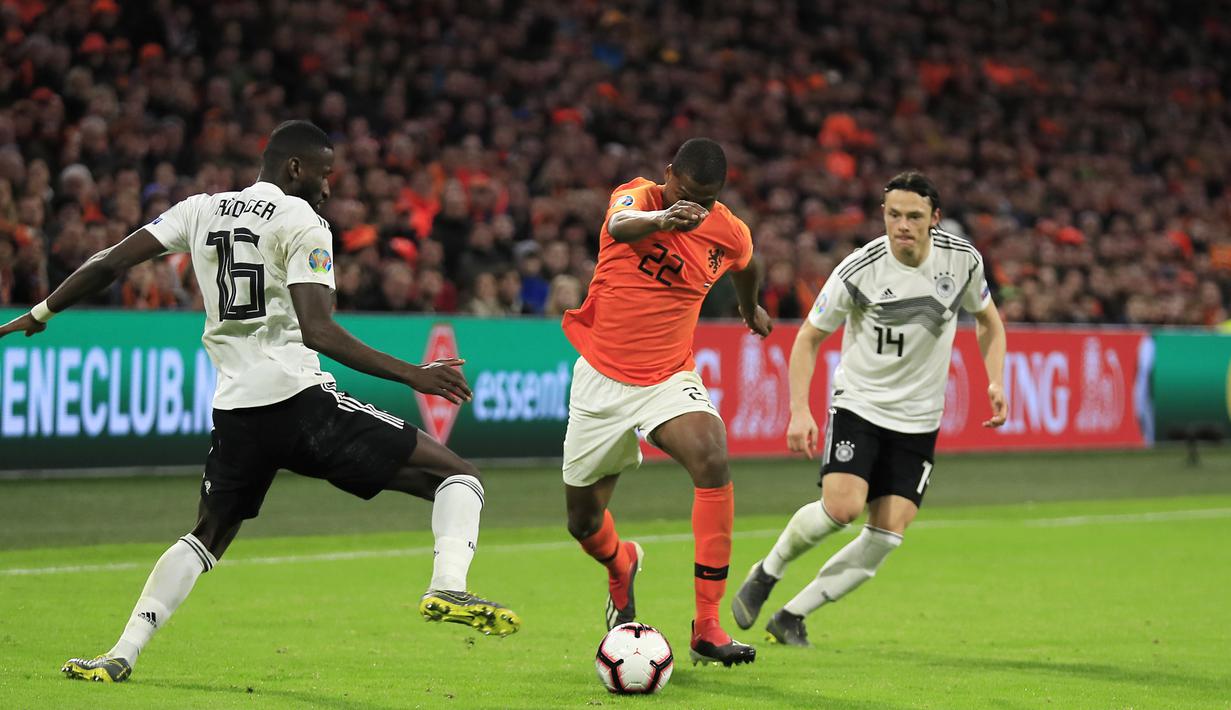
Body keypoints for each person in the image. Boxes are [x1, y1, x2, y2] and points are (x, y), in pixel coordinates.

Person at [0, 121, 520, 684]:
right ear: (294, 169)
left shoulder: (199, 209)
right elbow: (318, 331)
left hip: (237, 410)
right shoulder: (303, 222)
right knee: (458, 478)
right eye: (323, 175)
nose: (327, 189)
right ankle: (447, 586)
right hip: (299, 401)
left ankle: (121, 653)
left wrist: (42, 312)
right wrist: (412, 375)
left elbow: (108, 262)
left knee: (207, 535)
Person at [731, 171, 1007, 646]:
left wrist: (996, 379)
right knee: (842, 507)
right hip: (861, 405)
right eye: (894, 214)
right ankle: (766, 572)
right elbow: (808, 339)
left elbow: (988, 322)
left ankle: (792, 616)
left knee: (887, 535)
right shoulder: (860, 269)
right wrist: (800, 410)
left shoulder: (962, 262)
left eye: (914, 216)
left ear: (934, 219)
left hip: (919, 420)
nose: (902, 225)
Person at [560, 138, 772, 667]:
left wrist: (750, 308)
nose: (692, 205)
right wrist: (663, 222)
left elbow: (747, 263)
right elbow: (617, 228)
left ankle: (708, 624)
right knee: (583, 523)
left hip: (666, 379)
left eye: (706, 199)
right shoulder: (638, 198)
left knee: (712, 455)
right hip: (601, 379)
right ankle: (621, 563)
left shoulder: (728, 230)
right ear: (668, 173)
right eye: (685, 191)